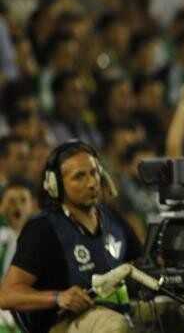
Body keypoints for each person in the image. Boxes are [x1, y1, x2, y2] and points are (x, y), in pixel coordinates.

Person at [0, 141, 142, 333]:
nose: (92, 183)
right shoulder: (43, 229)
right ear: (55, 185)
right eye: (79, 177)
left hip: (120, 310)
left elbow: (141, 263)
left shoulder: (112, 218)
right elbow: (6, 295)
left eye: (94, 173)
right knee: (114, 326)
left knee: (178, 310)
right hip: (63, 323)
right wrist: (58, 297)